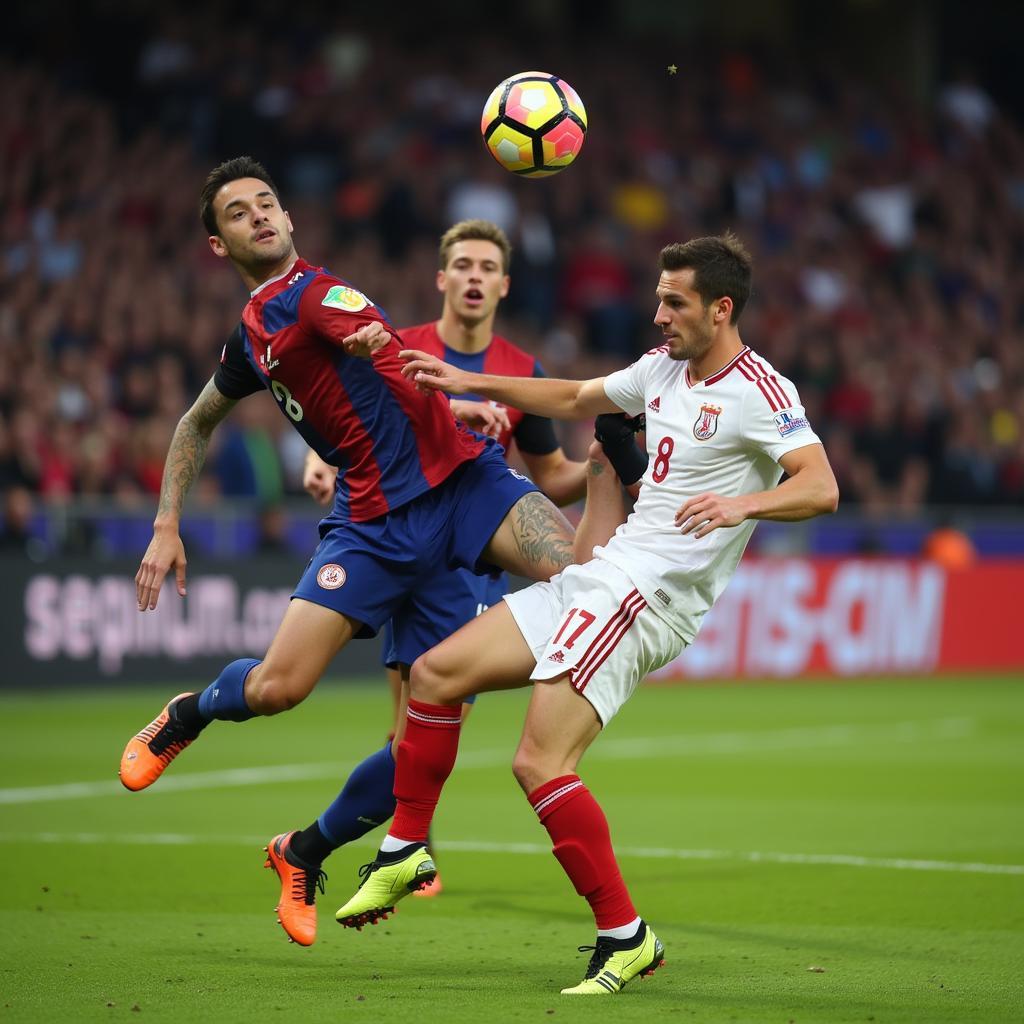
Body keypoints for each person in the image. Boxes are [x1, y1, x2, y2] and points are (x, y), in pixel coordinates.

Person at [331, 234, 840, 996]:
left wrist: (743, 502)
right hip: (605, 576)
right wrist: (461, 378)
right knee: (437, 674)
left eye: (675, 301)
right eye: (660, 296)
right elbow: (573, 398)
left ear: (721, 309)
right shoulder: (663, 367)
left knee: (538, 763)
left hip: (648, 596)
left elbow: (821, 487)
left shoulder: (762, 392)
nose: (658, 312)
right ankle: (406, 847)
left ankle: (624, 936)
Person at [118, 157, 582, 946]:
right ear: (217, 244)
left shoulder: (319, 293)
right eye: (239, 212)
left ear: (290, 220)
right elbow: (195, 423)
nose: (260, 215)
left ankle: (302, 851)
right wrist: (167, 524)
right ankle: (189, 714)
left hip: (464, 488)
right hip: (370, 526)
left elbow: (367, 332)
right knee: (275, 689)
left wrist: (383, 348)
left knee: (576, 587)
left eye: (268, 202)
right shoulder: (252, 335)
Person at [301, 220, 589, 900]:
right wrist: (319, 462)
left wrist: (603, 465)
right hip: (395, 533)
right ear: (441, 278)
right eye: (461, 264)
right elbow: (344, 418)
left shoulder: (522, 372)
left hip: (468, 551)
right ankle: (404, 839)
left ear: (504, 284)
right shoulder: (396, 346)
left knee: (426, 713)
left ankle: (390, 837)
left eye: (486, 267)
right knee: (420, 706)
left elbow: (550, 474)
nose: (473, 276)